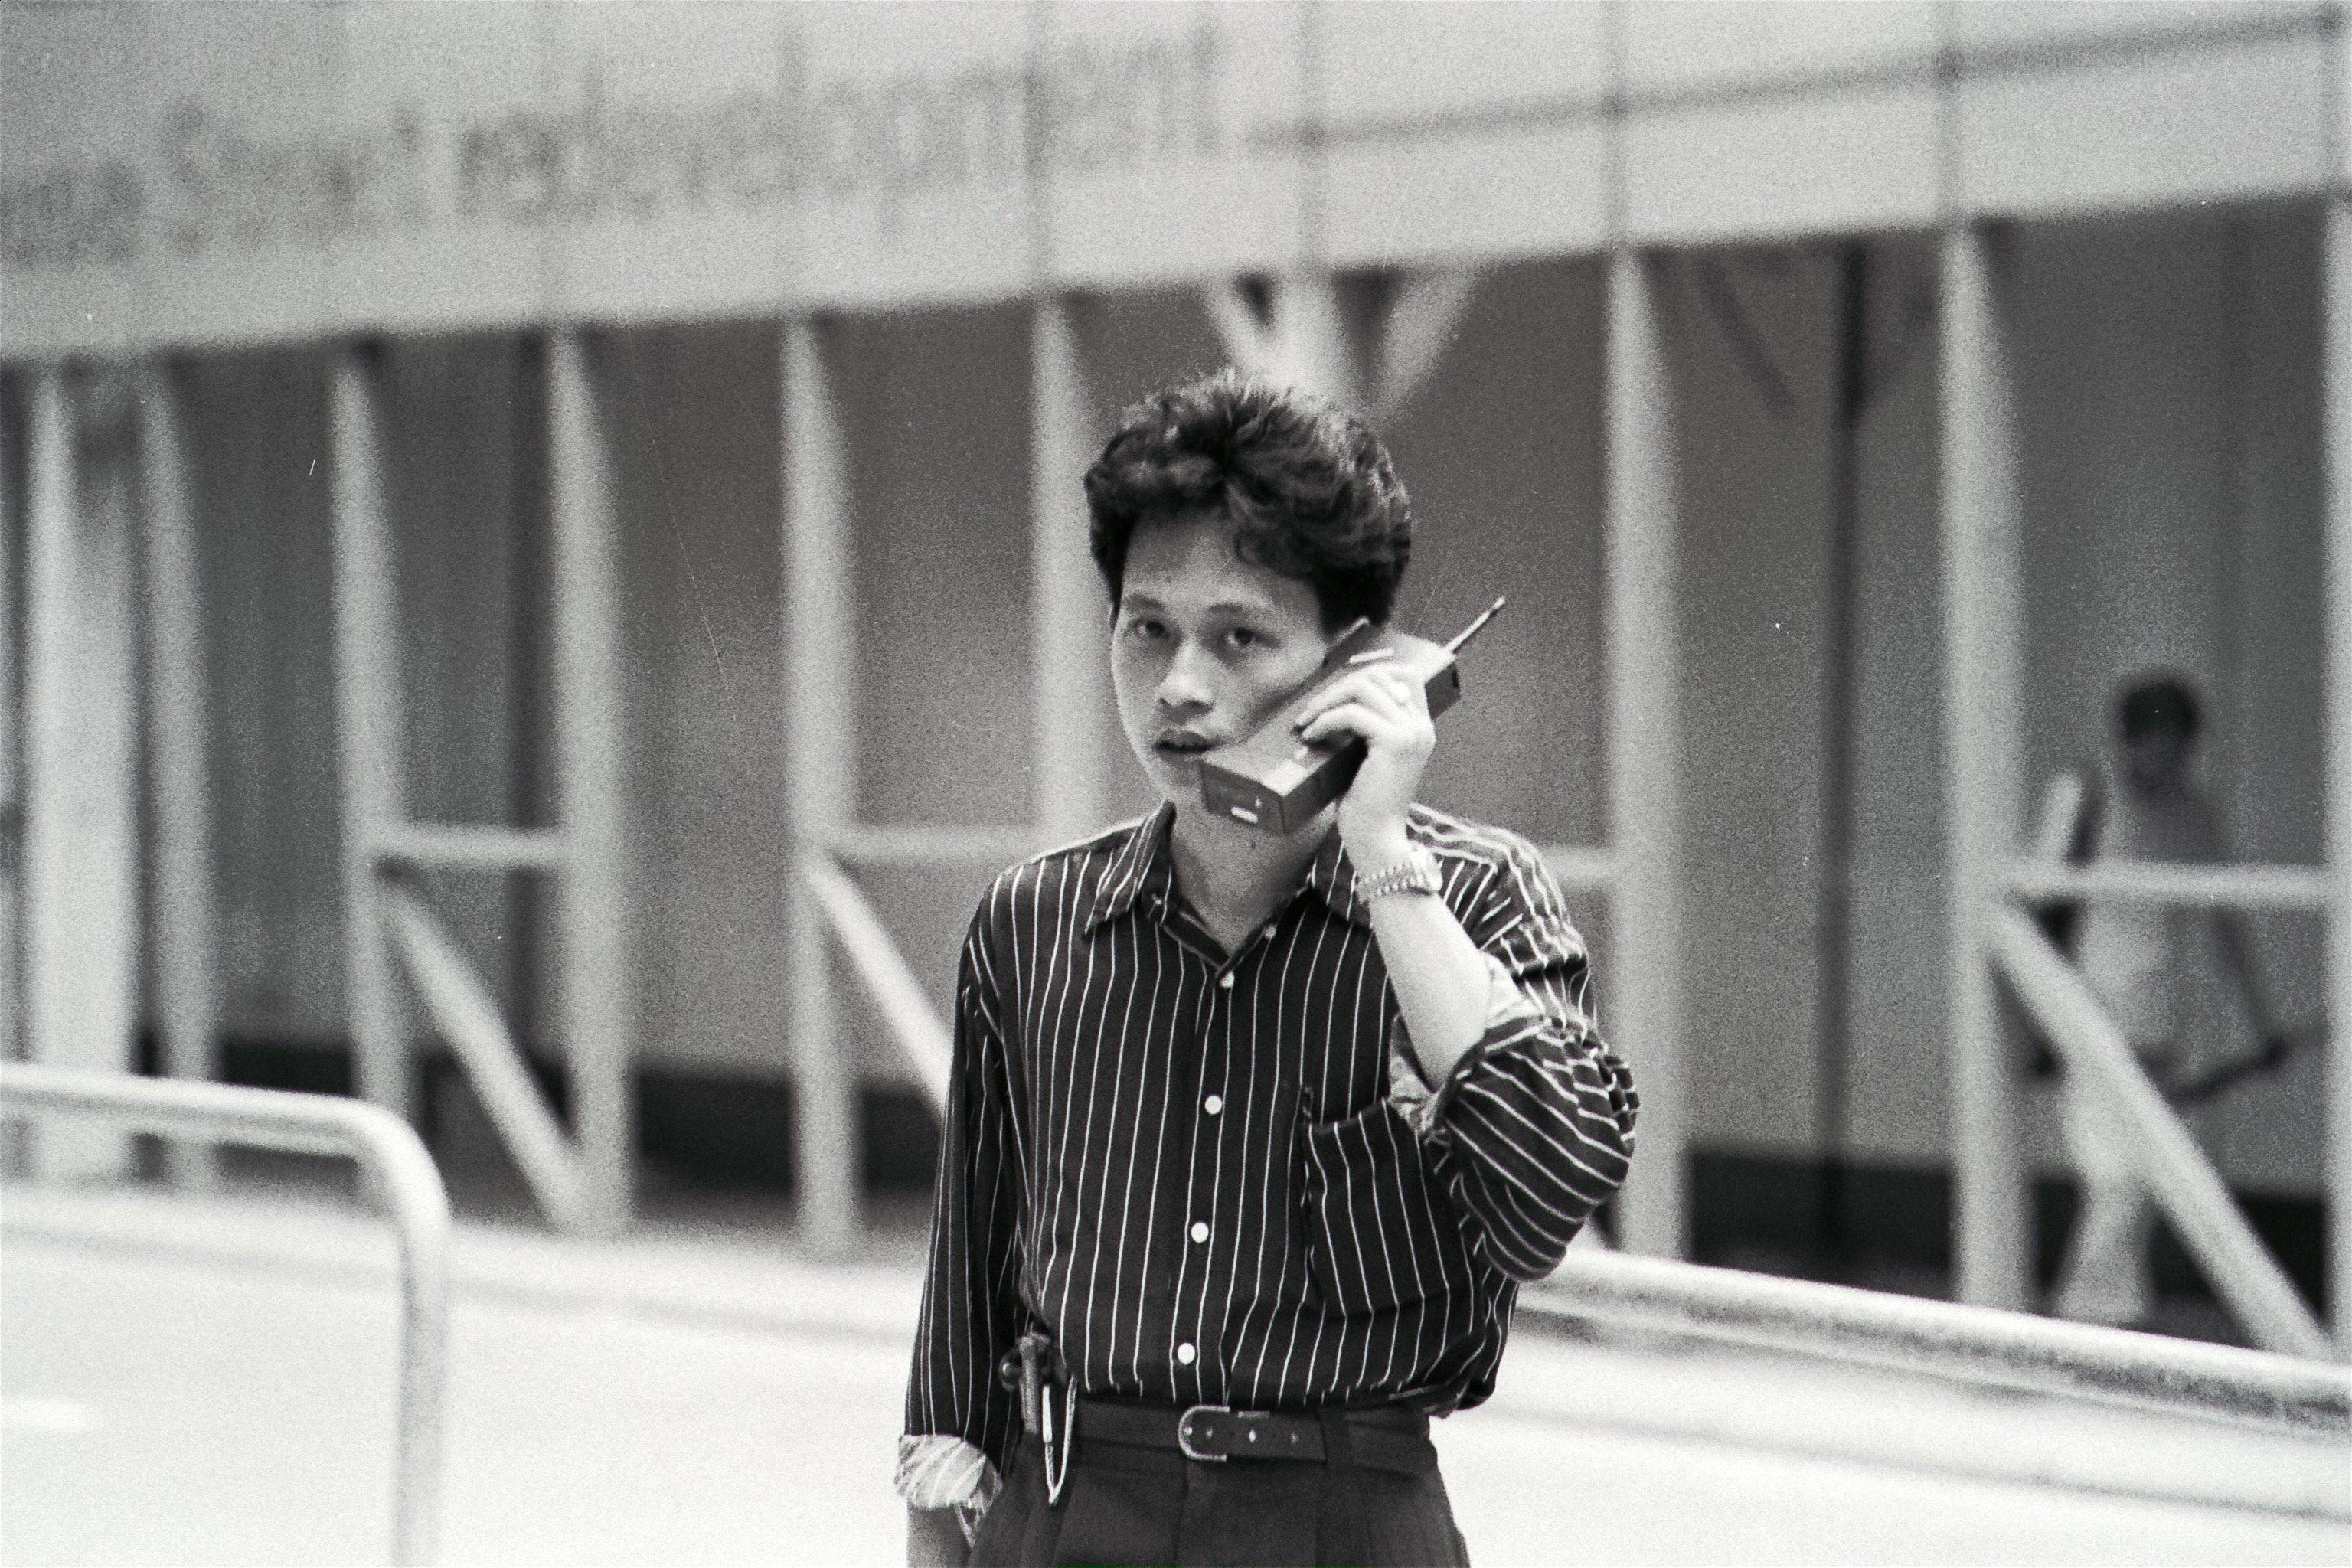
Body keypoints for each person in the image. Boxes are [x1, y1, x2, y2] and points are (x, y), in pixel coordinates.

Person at [896, 371, 1639, 1566]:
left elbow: (1548, 1201)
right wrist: (937, 1536)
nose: (1181, 686)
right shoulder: (1032, 922)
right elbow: (968, 1290)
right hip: (1071, 1508)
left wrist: (1385, 858)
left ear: (1360, 664)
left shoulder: (1482, 899)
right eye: (1148, 628)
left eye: (1239, 635)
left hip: (1346, 1515)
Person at [2034, 674, 2285, 1328]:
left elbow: (2229, 922)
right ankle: (2084, 1322)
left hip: (2159, 1025)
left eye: (2179, 747)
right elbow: (2033, 905)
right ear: (2128, 740)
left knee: (2138, 1179)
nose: (2167, 760)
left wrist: (2262, 1024)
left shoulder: (2197, 817)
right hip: (2087, 1019)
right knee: (2117, 1176)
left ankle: (2113, 1322)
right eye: (2156, 744)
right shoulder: (2086, 795)